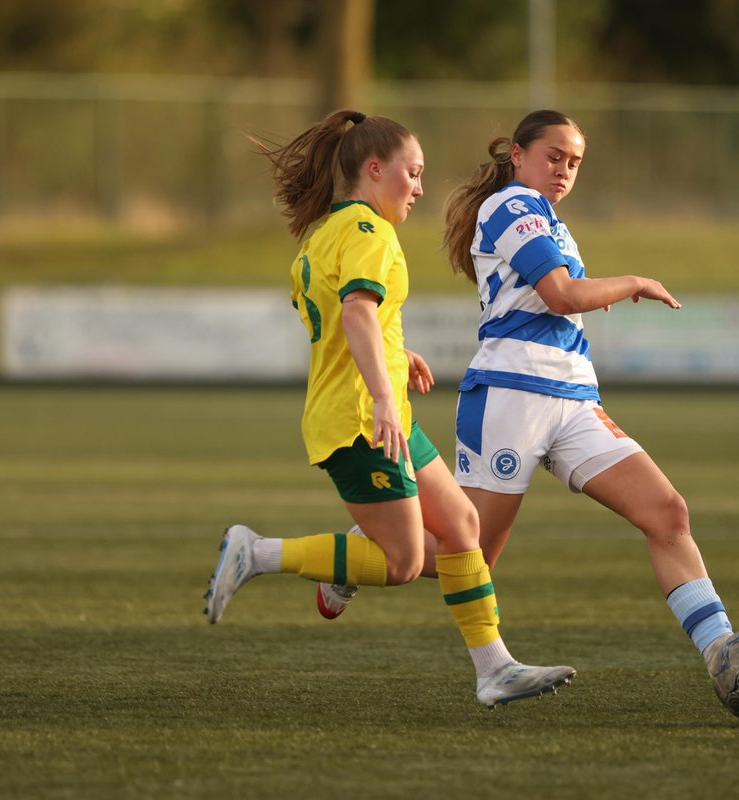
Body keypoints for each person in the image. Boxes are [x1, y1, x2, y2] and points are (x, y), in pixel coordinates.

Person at [203, 109, 575, 708]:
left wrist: (397, 358)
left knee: (461, 528)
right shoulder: (372, 235)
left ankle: (494, 668)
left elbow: (350, 322)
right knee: (402, 561)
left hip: (377, 410)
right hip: (362, 421)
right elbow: (354, 314)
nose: (420, 188)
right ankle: (260, 552)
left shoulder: (325, 233)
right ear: (375, 171)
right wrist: (381, 393)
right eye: (413, 173)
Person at [440, 109, 739, 676]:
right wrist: (632, 281)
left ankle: (724, 653)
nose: (564, 169)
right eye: (553, 156)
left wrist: (591, 291)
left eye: (575, 162)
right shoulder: (511, 205)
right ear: (517, 153)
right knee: (466, 557)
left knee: (667, 512)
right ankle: (352, 550)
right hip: (511, 396)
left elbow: (563, 293)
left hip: (574, 402)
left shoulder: (551, 220)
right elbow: (561, 294)